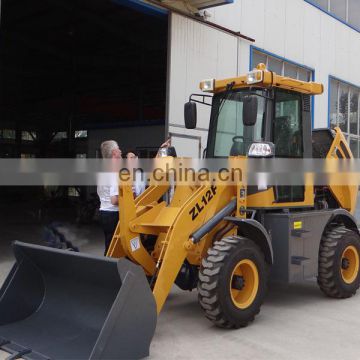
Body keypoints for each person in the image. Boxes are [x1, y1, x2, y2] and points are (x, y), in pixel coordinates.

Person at [97, 140, 122, 255]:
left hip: (104, 212)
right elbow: (114, 200)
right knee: (115, 248)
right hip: (113, 214)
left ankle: (106, 265)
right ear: (114, 153)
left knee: (109, 245)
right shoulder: (114, 173)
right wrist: (129, 200)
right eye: (118, 148)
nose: (120, 151)